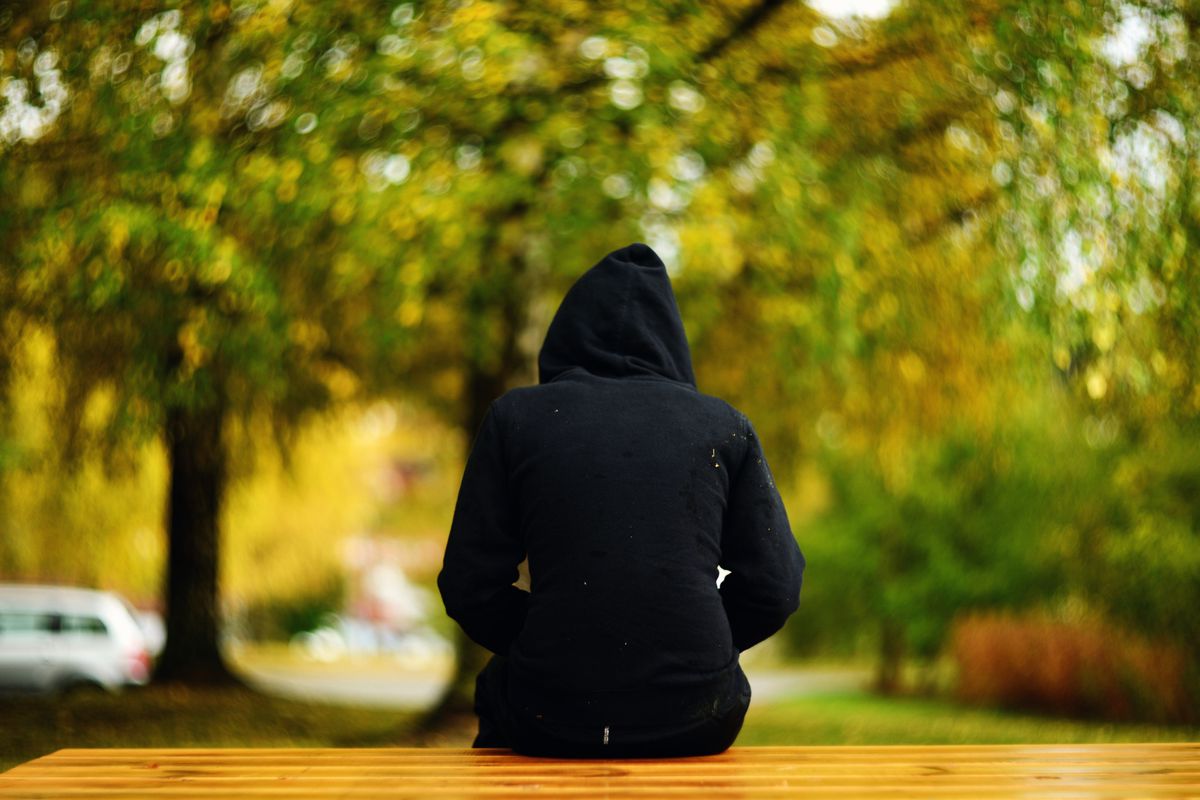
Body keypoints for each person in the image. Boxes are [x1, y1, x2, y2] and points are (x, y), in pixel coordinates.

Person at [438, 243, 805, 758]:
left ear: (566, 333)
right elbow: (775, 587)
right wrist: (700, 644)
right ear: (671, 340)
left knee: (498, 689)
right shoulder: (723, 426)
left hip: (550, 716)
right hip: (700, 715)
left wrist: (549, 639)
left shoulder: (515, 419)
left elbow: (468, 584)